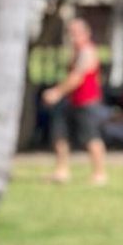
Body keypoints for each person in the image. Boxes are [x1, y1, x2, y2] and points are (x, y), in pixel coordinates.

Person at [41, 17, 108, 185]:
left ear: (86, 33)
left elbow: (77, 78)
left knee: (91, 137)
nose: (72, 37)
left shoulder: (87, 51)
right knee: (60, 135)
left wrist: (56, 92)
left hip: (87, 102)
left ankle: (99, 174)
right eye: (70, 33)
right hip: (72, 101)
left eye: (76, 33)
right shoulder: (75, 52)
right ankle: (61, 171)